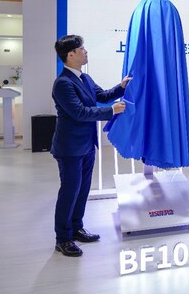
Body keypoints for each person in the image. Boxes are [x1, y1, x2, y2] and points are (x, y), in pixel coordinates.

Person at [51, 35, 130, 257]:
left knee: (82, 189)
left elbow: (102, 95)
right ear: (71, 54)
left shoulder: (84, 78)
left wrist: (121, 87)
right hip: (69, 148)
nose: (85, 51)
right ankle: (63, 238)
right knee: (69, 191)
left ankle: (76, 228)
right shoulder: (63, 83)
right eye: (81, 49)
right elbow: (79, 112)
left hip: (86, 145)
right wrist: (112, 111)